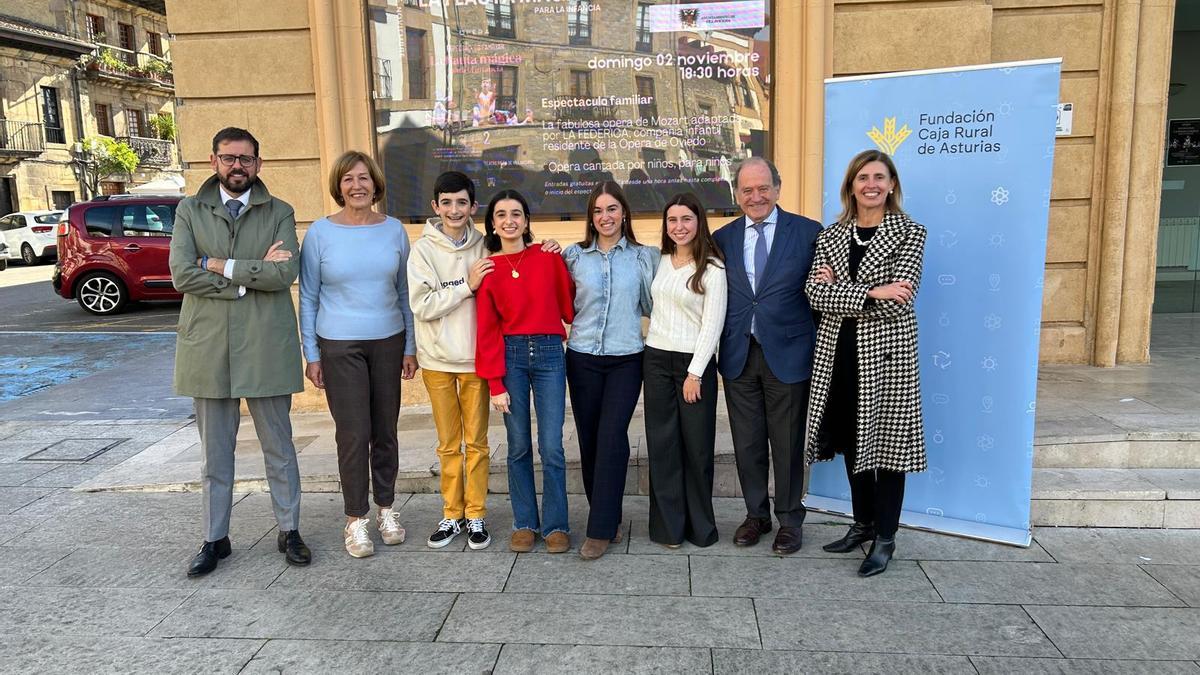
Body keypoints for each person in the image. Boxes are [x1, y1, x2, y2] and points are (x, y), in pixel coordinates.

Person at [170, 127, 312, 576]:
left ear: (258, 164)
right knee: (215, 454)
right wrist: (245, 281)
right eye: (229, 157)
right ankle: (215, 538)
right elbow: (181, 274)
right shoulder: (189, 211)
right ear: (213, 161)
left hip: (266, 343)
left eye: (245, 159)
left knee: (279, 446)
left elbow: (283, 273)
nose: (237, 166)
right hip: (208, 347)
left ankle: (289, 530)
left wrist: (216, 264)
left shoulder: (280, 211)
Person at [806, 149, 927, 577]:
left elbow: (900, 301)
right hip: (838, 354)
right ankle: (863, 524)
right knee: (852, 441)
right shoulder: (831, 235)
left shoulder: (910, 233)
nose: (870, 185)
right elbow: (814, 294)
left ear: (892, 185)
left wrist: (842, 289)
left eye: (879, 177)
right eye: (862, 178)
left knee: (890, 450)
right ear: (851, 186)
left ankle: (885, 538)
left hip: (888, 359)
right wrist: (874, 291)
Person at [298, 150, 417, 559]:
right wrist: (312, 354)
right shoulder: (319, 233)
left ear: (375, 183)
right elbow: (309, 297)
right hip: (339, 344)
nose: (356, 186)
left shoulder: (394, 230)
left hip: (388, 340)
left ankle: (386, 509)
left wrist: (410, 346)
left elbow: (404, 291)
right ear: (338, 186)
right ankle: (355, 519)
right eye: (348, 179)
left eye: (363, 177)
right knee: (353, 434)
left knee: (385, 431)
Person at [712, 157, 823, 555]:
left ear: (778, 188)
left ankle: (790, 520)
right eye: (747, 190)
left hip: (789, 353)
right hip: (739, 353)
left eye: (763, 188)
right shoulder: (722, 238)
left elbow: (821, 295)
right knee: (747, 442)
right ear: (736, 194)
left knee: (788, 442)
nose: (755, 196)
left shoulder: (808, 232)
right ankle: (756, 515)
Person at [475, 190, 576, 554]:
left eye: (516, 213)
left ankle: (556, 524)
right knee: (518, 445)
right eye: (501, 214)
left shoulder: (547, 258)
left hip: (549, 353)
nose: (509, 220)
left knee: (551, 446)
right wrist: (495, 383)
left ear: (527, 220)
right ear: (492, 224)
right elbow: (486, 330)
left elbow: (568, 305)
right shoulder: (488, 270)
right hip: (511, 356)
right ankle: (524, 522)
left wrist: (560, 257)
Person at [562, 181, 657, 560]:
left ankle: (599, 529)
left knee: (612, 436)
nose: (606, 217)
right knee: (589, 440)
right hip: (582, 357)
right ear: (591, 216)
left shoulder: (643, 257)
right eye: (598, 210)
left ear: (624, 213)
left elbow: (654, 304)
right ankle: (609, 515)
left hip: (626, 358)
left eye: (612, 209)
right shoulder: (573, 256)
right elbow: (559, 300)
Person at [406, 171, 493, 551]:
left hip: (476, 360)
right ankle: (451, 514)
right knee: (448, 444)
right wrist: (465, 286)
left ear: (473, 207)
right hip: (437, 360)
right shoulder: (422, 250)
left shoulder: (485, 246)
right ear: (435, 206)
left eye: (461, 202)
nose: (454, 210)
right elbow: (422, 305)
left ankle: (475, 514)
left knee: (477, 443)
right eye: (446, 203)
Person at [643, 193, 727, 548]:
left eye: (686, 219)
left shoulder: (713, 268)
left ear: (698, 222)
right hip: (656, 359)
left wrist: (695, 373)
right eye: (672, 220)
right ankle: (668, 528)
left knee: (696, 447)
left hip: (694, 364)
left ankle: (700, 528)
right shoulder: (659, 261)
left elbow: (713, 324)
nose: (679, 227)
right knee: (663, 446)